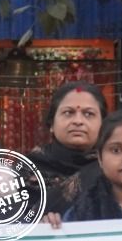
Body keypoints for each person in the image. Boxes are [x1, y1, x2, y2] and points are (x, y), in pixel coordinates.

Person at [30, 81, 107, 214]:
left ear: (103, 125)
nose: (78, 121)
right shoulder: (26, 170)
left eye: (88, 114)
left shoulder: (112, 170)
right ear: (52, 124)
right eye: (68, 113)